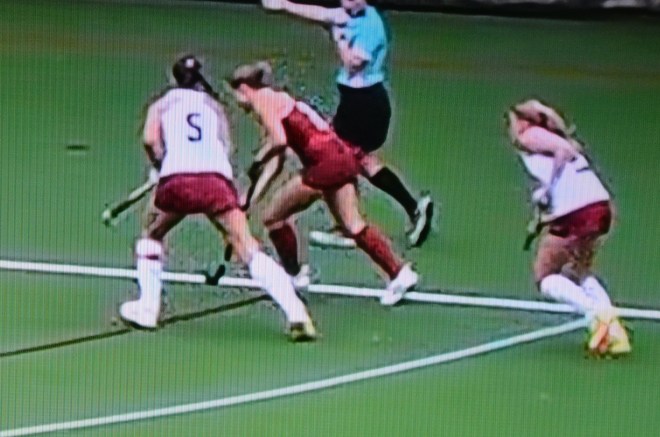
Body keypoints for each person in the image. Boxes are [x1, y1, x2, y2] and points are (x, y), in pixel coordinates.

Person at [119, 55, 316, 341]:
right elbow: (225, 148)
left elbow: (150, 140)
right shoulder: (214, 107)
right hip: (215, 181)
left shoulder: (162, 104)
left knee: (152, 233)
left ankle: (148, 309)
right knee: (247, 246)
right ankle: (296, 312)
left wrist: (160, 165)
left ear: (173, 78)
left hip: (177, 180)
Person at [229, 61, 418, 306]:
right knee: (352, 225)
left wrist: (257, 159)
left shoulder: (261, 100)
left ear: (245, 88)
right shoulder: (278, 98)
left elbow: (278, 141)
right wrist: (249, 197)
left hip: (322, 164)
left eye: (236, 94)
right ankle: (399, 273)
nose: (237, 102)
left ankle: (295, 275)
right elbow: (277, 160)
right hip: (339, 157)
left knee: (274, 218)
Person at [262, 0, 434, 248]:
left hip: (365, 105)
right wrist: (284, 6)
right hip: (356, 103)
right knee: (359, 161)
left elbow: (353, 63)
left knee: (336, 158)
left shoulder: (371, 26)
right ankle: (410, 209)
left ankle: (349, 226)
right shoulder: (350, 15)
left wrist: (338, 36)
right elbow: (323, 14)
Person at [507, 99, 630, 355]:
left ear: (524, 122)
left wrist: (548, 189)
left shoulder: (530, 136)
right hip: (598, 208)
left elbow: (563, 152)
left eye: (512, 121)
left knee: (546, 275)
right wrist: (546, 210)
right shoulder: (557, 138)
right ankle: (615, 334)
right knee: (579, 270)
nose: (510, 128)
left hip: (578, 212)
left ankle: (598, 316)